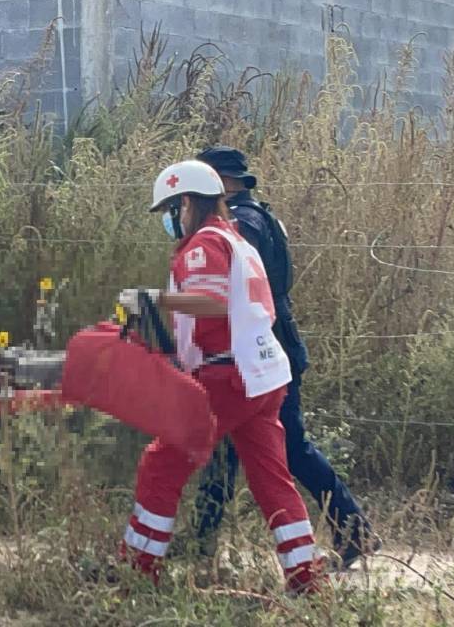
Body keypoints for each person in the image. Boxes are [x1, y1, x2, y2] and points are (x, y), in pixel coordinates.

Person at [115, 159, 325, 594]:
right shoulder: (236, 241)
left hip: (227, 376)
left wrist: (152, 300)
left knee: (162, 462)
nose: (170, 223)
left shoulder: (202, 244)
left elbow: (211, 303)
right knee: (272, 480)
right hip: (262, 374)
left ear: (186, 203)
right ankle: (308, 581)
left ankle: (138, 569)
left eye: (170, 211)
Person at [194, 146, 377, 569]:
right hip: (274, 349)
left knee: (241, 448)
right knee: (269, 448)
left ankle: (200, 546)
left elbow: (225, 291)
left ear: (217, 183)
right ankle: (354, 531)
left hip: (256, 354)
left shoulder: (238, 226)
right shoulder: (261, 216)